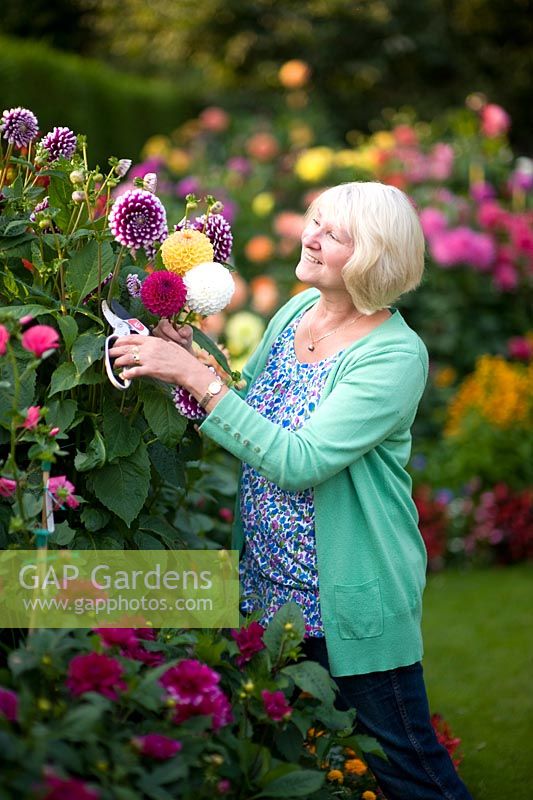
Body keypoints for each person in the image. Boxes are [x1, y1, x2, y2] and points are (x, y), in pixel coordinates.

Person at [110, 181, 473, 800]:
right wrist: (189, 351)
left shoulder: (392, 357)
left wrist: (196, 379)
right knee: (288, 761)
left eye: (334, 233)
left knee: (412, 771)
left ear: (373, 258)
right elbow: (259, 412)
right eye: (313, 219)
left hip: (348, 600)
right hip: (267, 586)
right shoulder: (294, 313)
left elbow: (299, 460)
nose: (309, 235)